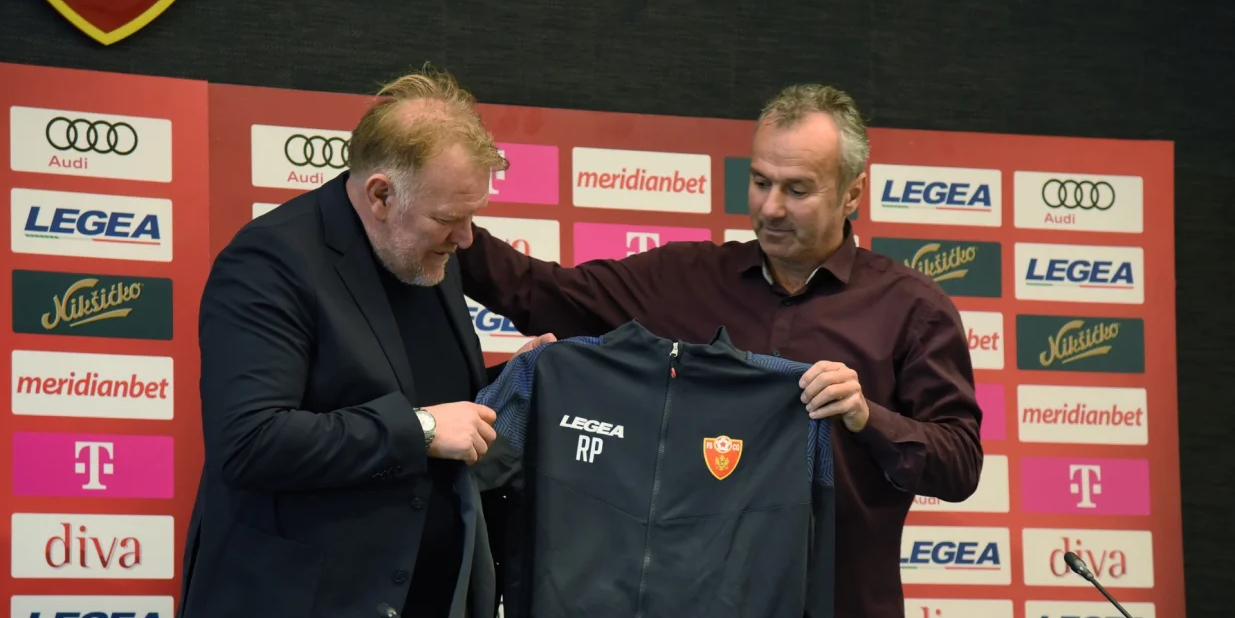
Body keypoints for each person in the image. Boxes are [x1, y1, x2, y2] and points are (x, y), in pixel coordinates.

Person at [455, 83, 983, 618]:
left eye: (798, 190)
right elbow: (540, 292)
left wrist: (866, 417)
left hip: (842, 601)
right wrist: (445, 219)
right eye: (760, 182)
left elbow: (960, 465)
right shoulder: (682, 280)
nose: (771, 208)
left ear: (852, 193)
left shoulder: (913, 309)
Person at [176, 67, 542, 618]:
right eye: (449, 218)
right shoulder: (270, 260)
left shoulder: (426, 250)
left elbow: (419, 393)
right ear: (380, 195)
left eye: (472, 217)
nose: (466, 238)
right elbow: (251, 441)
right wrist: (421, 430)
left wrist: (511, 378)